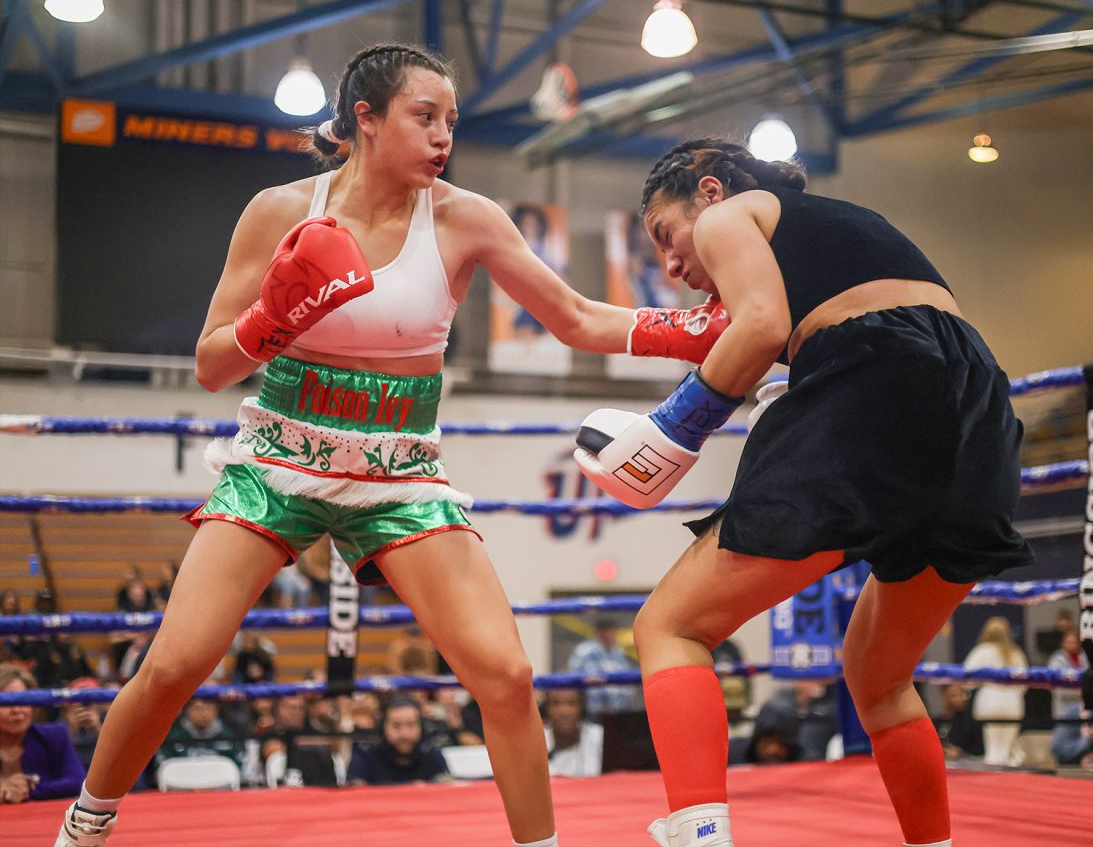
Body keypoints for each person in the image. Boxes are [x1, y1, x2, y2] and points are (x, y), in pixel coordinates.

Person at [54, 42, 726, 847]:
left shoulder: (467, 217)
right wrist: (274, 321)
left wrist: (701, 329)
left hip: (399, 470)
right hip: (277, 457)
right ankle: (84, 826)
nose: (445, 136)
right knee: (173, 665)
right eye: (425, 116)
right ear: (364, 120)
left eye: (452, 120)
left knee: (507, 676)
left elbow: (577, 317)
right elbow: (208, 364)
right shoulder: (280, 211)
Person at [574, 138, 1033, 847]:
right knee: (878, 677)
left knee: (670, 625)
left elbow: (763, 325)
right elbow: (600, 321)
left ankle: (700, 837)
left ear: (707, 191)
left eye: (666, 235)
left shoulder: (732, 218)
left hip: (877, 377)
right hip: (979, 408)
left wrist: (674, 429)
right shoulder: (841, 231)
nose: (669, 264)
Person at [0, 665, 85, 803]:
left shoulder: (55, 735)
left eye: (23, 701)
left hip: (44, 821)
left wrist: (27, 790)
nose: (17, 710)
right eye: (6, 703)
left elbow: (78, 783)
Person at [963, 616, 1028, 767]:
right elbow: (1025, 682)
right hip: (1013, 702)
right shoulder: (1015, 652)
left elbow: (967, 679)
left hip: (989, 700)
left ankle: (993, 778)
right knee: (1007, 747)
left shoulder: (981, 651)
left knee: (993, 746)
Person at [347, 697, 449, 786]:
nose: (404, 734)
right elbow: (353, 794)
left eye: (411, 725)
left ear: (421, 727)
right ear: (383, 727)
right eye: (396, 726)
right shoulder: (364, 759)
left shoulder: (433, 757)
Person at [567, 618, 637, 720]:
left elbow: (627, 680)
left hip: (620, 714)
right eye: (610, 631)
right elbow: (572, 681)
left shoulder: (618, 653)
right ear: (601, 632)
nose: (614, 635)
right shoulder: (584, 652)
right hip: (592, 715)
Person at [543, 688, 603, 777]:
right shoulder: (535, 741)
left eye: (571, 703)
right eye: (556, 704)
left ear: (582, 708)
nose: (564, 712)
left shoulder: (600, 737)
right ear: (546, 709)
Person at [936, 683, 984, 760]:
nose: (960, 698)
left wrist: (961, 752)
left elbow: (980, 749)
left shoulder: (971, 723)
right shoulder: (935, 722)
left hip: (964, 764)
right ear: (944, 696)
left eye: (962, 694)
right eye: (954, 695)